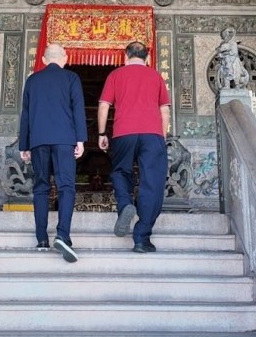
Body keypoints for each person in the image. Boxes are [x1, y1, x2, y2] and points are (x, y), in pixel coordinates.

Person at [97, 41, 171, 253]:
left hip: (123, 133)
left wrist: (102, 133)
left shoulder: (116, 75)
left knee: (121, 171)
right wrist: (161, 137)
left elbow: (104, 105)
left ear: (125, 56)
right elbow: (164, 110)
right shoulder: (156, 76)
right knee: (152, 182)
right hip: (152, 134)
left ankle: (125, 205)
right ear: (147, 58)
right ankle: (142, 237)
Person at [19, 43, 86, 262]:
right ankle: (63, 235)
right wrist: (81, 140)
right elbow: (78, 109)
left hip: (38, 140)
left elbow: (26, 114)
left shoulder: (32, 80)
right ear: (65, 58)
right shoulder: (71, 78)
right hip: (65, 140)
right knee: (66, 186)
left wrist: (24, 145)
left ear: (45, 59)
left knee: (41, 188)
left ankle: (41, 239)